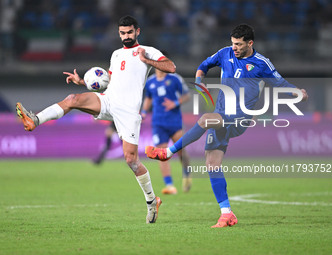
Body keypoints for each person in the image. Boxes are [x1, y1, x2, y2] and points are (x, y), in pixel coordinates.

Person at [16, 15, 176, 224]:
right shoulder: (116, 54)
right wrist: (83, 81)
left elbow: (171, 67)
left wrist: (148, 61)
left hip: (128, 111)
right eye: (122, 33)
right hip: (109, 100)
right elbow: (109, 83)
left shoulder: (148, 51)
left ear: (138, 31)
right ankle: (34, 120)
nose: (126, 36)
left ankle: (151, 201)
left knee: (131, 160)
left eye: (129, 32)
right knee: (72, 99)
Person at [145, 24, 309, 228]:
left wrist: (298, 93)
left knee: (205, 119)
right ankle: (227, 213)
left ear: (250, 43)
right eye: (233, 44)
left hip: (240, 117)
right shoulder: (225, 53)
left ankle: (167, 152)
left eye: (239, 44)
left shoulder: (261, 63)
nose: (235, 48)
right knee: (212, 164)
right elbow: (204, 65)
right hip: (221, 114)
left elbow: (281, 84)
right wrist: (199, 81)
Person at [141, 57, 191, 195]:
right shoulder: (150, 81)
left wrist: (175, 103)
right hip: (158, 123)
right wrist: (144, 112)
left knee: (181, 152)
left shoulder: (175, 79)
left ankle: (187, 174)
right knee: (161, 154)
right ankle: (169, 185)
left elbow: (187, 95)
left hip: (175, 122)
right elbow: (148, 98)